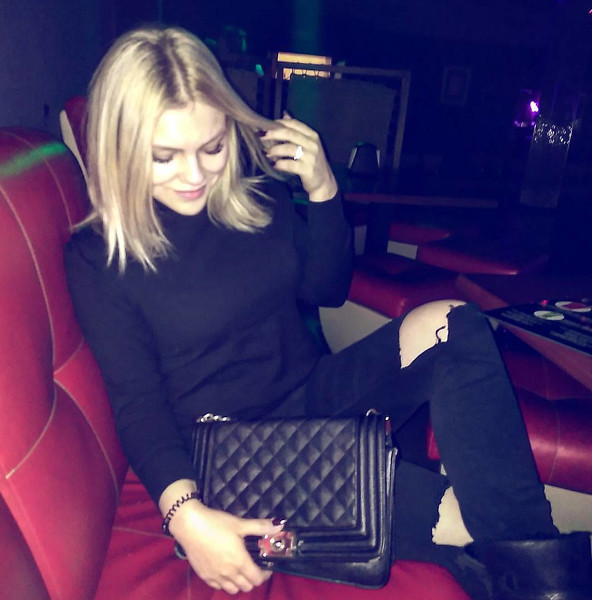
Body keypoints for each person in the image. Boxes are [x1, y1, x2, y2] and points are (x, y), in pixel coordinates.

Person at [65, 25, 592, 600]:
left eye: (212, 148)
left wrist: (322, 190)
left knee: (453, 321)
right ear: (121, 148)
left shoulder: (257, 197)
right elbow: (137, 404)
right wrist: (185, 516)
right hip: (235, 455)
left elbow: (328, 288)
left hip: (314, 393)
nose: (195, 176)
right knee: (470, 520)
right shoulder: (99, 257)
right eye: (164, 157)